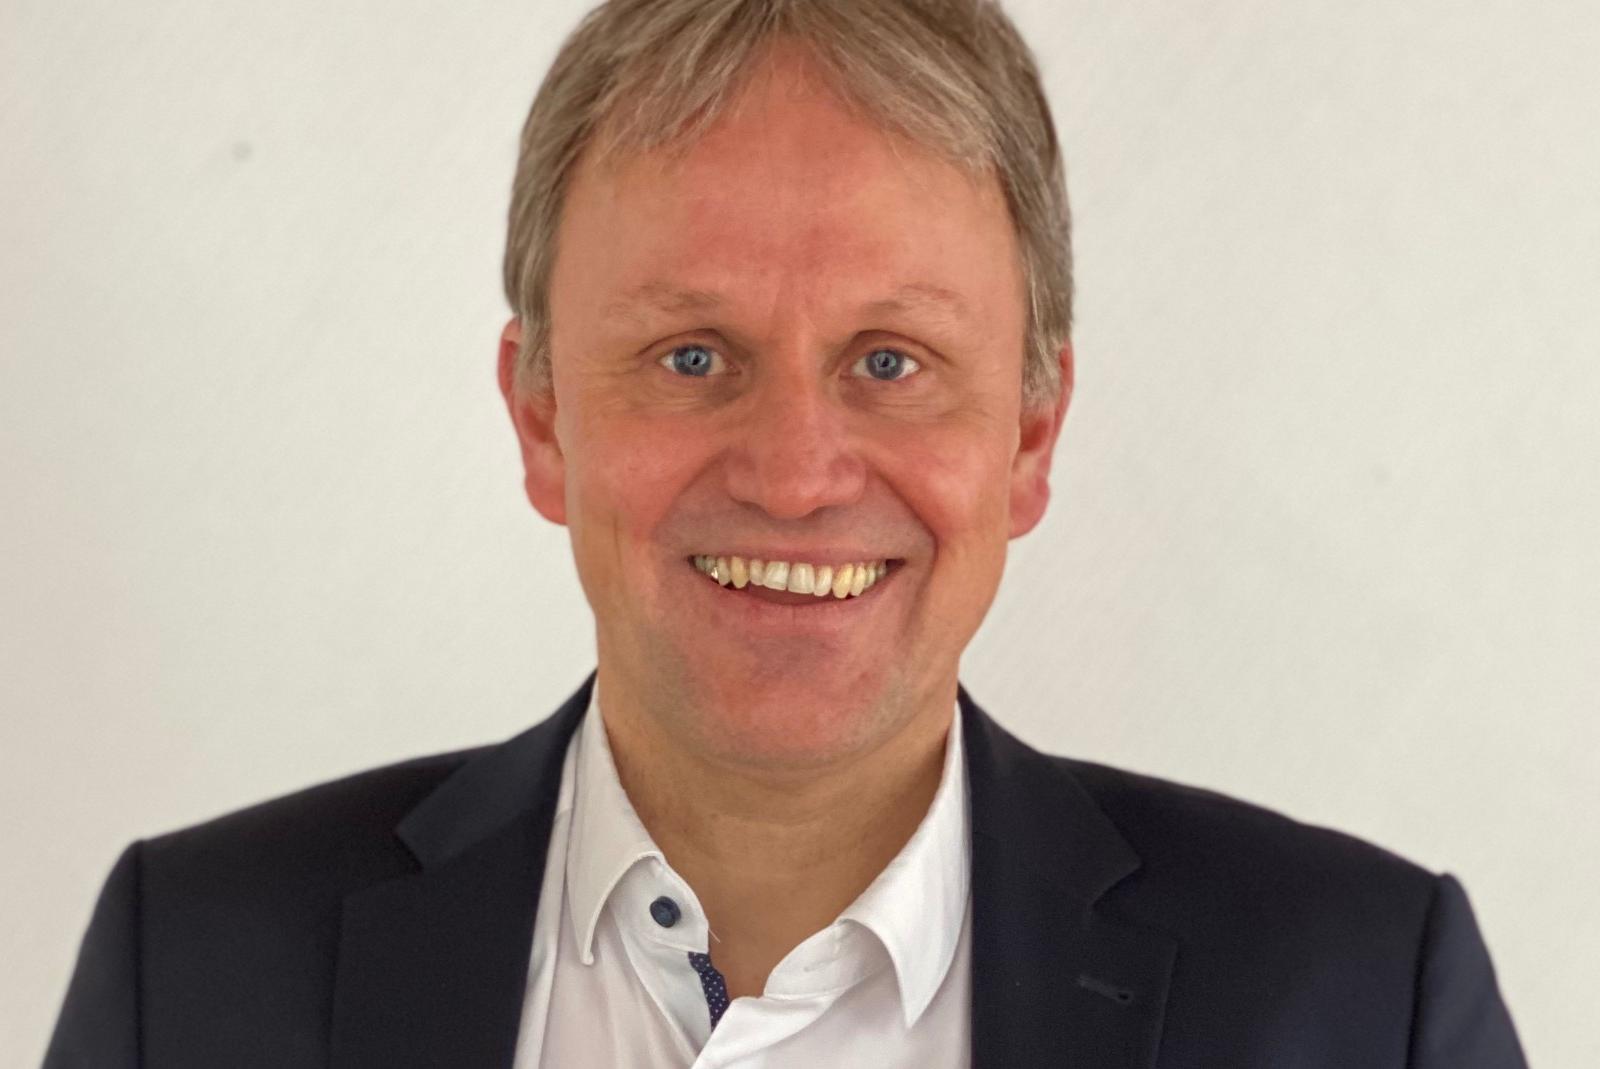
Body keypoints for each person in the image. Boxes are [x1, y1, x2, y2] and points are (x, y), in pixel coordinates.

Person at [45, 1, 1528, 1066]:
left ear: (1029, 435)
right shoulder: (194, 976)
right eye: (692, 355)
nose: (798, 474)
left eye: (891, 359)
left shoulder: (1360, 1003)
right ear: (544, 418)